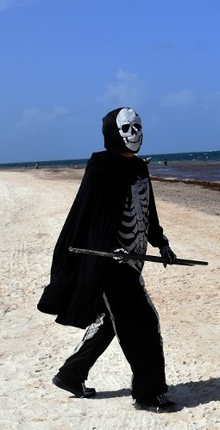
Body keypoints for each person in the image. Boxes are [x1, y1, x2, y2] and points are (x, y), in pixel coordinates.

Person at [37, 107, 179, 413]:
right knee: (143, 322)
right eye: (127, 129)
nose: (135, 134)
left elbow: (147, 211)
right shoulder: (102, 169)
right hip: (111, 265)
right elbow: (86, 217)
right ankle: (148, 393)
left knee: (109, 322)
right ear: (113, 134)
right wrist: (107, 247)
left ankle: (71, 374)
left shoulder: (140, 168)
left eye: (138, 127)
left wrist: (161, 242)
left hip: (133, 261)